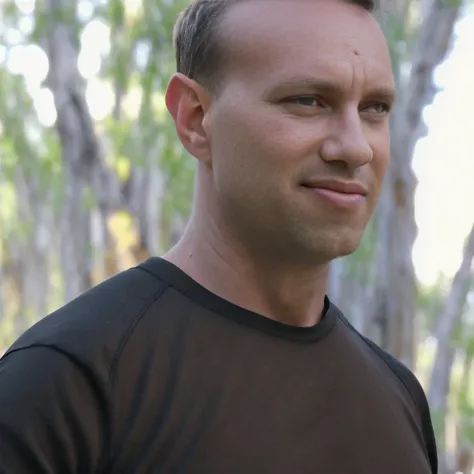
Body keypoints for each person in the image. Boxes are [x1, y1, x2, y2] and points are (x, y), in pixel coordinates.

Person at [0, 0, 438, 472]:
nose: (355, 147)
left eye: (375, 108)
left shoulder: (399, 398)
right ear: (194, 118)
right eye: (308, 101)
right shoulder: (67, 381)